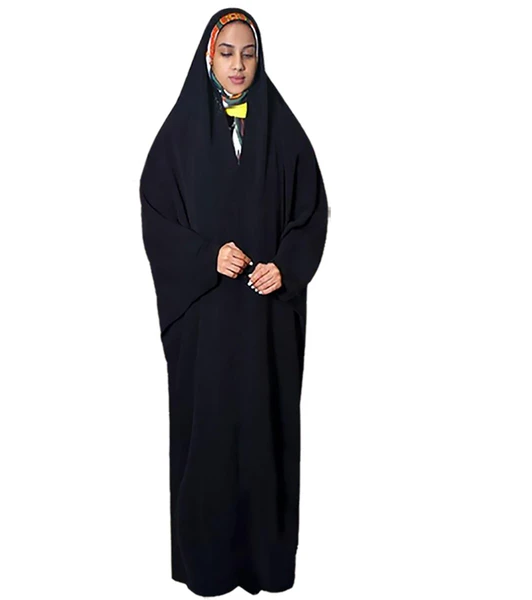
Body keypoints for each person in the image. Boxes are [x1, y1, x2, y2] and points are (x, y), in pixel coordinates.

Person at [140, 7, 328, 596]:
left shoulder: (284, 130)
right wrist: (206, 256)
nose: (239, 65)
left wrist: (285, 267)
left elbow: (311, 212)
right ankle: (208, 567)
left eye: (249, 53)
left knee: (267, 435)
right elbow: (156, 217)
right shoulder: (179, 135)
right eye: (227, 53)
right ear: (208, 57)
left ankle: (265, 565)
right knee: (209, 440)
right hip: (207, 327)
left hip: (266, 323)